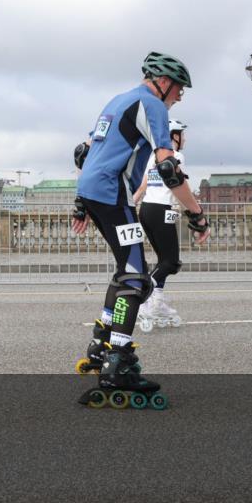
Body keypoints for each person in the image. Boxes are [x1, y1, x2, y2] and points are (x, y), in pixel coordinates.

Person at [71, 52, 211, 409]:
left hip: (95, 191)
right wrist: (196, 214)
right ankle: (118, 362)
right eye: (179, 88)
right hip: (113, 193)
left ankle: (102, 341)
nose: (180, 96)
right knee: (136, 278)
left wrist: (81, 202)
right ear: (163, 82)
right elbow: (168, 170)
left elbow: (83, 152)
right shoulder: (152, 105)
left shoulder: (118, 100)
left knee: (126, 270)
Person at [134, 119, 192, 330]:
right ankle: (146, 299)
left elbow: (142, 188)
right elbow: (180, 186)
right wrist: (195, 213)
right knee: (171, 263)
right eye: (182, 134)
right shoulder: (177, 157)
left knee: (163, 260)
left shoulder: (152, 157)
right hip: (163, 210)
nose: (184, 139)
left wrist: (130, 207)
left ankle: (157, 303)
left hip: (147, 210)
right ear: (174, 136)